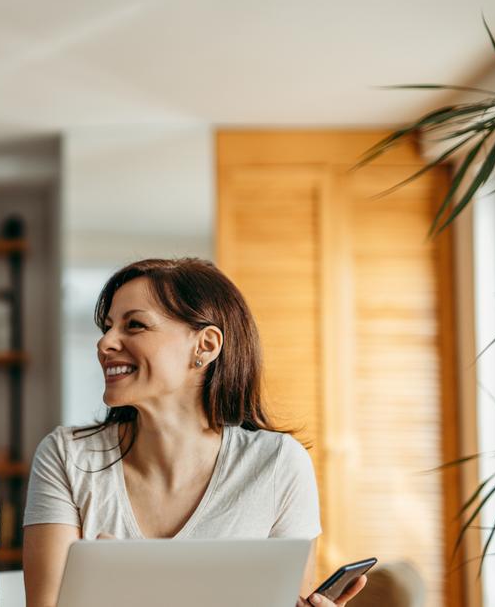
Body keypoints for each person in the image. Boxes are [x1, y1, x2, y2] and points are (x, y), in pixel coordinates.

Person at [21, 258, 367, 607]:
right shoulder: (67, 456)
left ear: (205, 346)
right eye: (107, 327)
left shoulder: (279, 465)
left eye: (135, 325)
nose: (105, 343)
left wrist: (128, 587)